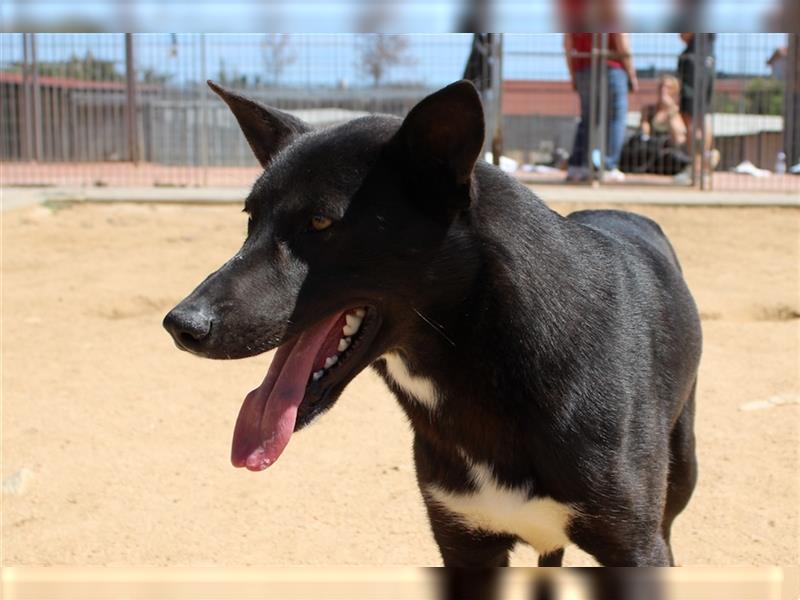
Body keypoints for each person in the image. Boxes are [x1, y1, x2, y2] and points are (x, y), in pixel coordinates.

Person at [564, 33, 639, 183]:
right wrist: (631, 75)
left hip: (583, 66)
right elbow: (621, 41)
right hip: (611, 66)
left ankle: (578, 166)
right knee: (615, 118)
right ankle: (608, 167)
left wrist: (572, 74)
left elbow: (567, 43)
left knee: (588, 118)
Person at [619, 74, 691, 175]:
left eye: (668, 87)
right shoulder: (648, 110)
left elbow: (679, 139)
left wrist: (671, 111)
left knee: (675, 158)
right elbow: (644, 133)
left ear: (674, 91)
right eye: (661, 86)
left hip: (667, 151)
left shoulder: (677, 112)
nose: (663, 90)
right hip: (650, 150)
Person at [675, 33, 719, 183]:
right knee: (703, 113)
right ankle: (705, 159)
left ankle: (697, 166)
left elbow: (685, 34)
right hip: (707, 57)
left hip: (694, 60)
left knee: (691, 116)